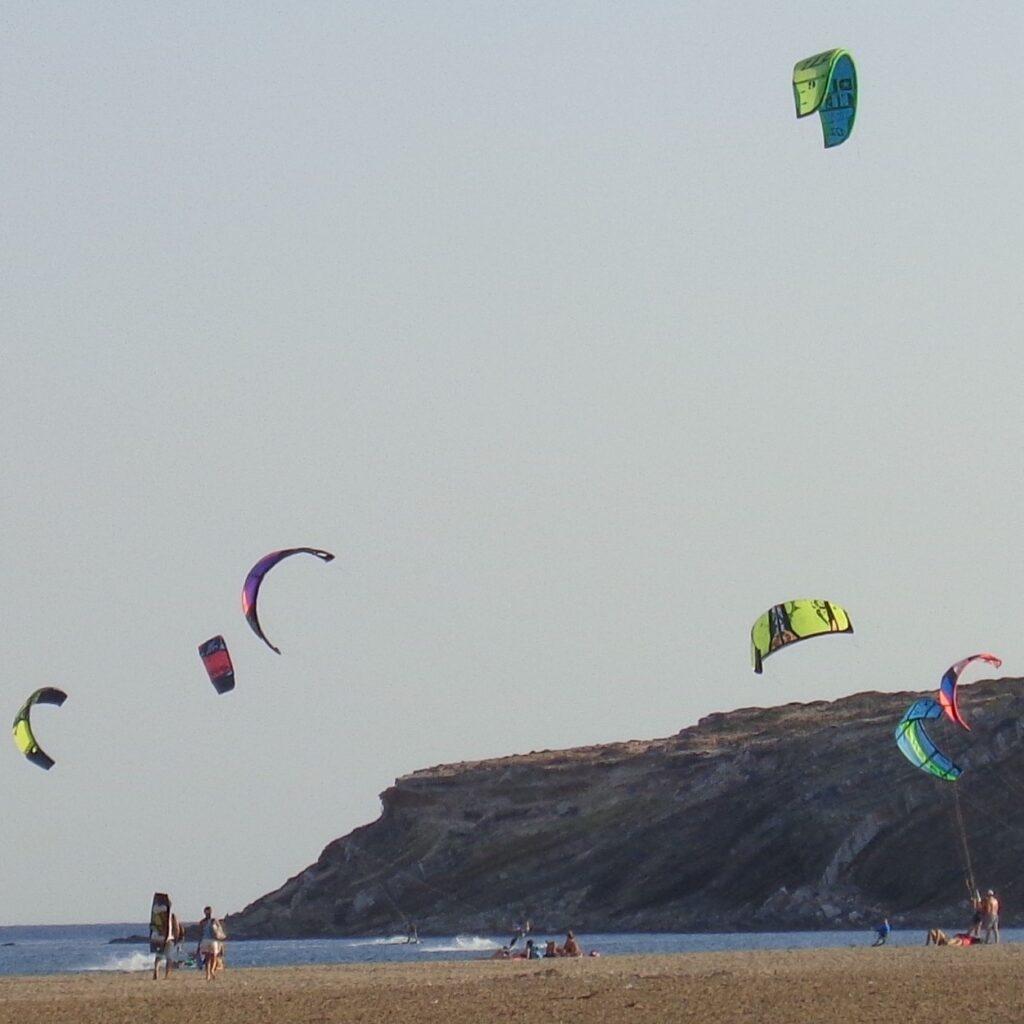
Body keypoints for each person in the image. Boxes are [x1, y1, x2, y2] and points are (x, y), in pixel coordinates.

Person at [196, 906, 226, 981]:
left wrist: (199, 944)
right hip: (213, 941)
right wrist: (221, 940)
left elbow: (200, 934)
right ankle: (212, 970)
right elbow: (219, 931)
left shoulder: (202, 922)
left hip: (204, 941)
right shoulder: (214, 920)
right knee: (214, 957)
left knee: (207, 958)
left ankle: (207, 974)